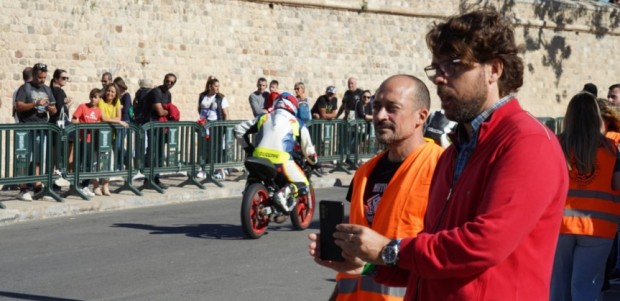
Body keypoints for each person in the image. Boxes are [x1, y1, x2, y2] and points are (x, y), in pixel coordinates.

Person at [309, 10, 569, 301]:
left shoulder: (527, 142)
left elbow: (484, 244)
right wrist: (368, 264)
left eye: (454, 65)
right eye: (436, 68)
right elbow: (431, 258)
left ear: (494, 69)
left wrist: (388, 249)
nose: (440, 78)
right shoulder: (456, 151)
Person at [328, 75, 443, 301]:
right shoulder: (364, 172)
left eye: (392, 108)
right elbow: (354, 264)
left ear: (421, 116)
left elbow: (445, 255)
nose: (380, 116)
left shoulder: (441, 168)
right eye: (377, 106)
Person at [550, 92, 620, 301]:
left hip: (559, 224)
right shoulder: (610, 149)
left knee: (558, 286)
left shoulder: (555, 145)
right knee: (585, 287)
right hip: (598, 227)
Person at [234, 92, 318, 212]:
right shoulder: (296, 122)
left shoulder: (264, 117)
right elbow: (309, 151)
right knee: (303, 183)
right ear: (293, 106)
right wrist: (315, 162)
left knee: (254, 176)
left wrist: (248, 148)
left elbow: (238, 129)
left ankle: (250, 191)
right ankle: (283, 194)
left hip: (258, 157)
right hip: (281, 160)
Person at [14, 62, 58, 201]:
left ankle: (37, 186)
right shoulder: (25, 88)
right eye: (40, 78)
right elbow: (19, 106)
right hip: (26, 127)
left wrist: (51, 109)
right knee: (24, 158)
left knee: (38, 158)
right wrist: (35, 104)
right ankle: (23, 188)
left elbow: (54, 108)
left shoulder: (47, 89)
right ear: (33, 75)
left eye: (44, 77)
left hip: (41, 127)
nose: (42, 80)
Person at [141, 73, 178, 189]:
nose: (169, 83)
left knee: (159, 153)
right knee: (152, 152)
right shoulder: (156, 92)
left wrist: (168, 110)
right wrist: (171, 111)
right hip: (152, 125)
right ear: (164, 79)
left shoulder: (168, 94)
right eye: (168, 81)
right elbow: (160, 111)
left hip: (161, 127)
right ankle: (148, 179)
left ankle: (155, 179)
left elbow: (165, 109)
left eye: (172, 82)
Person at [71, 88, 104, 197]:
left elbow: (100, 122)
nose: (93, 99)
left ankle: (85, 186)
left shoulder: (99, 111)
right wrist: (82, 126)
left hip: (91, 140)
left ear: (99, 99)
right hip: (81, 139)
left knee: (89, 163)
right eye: (92, 96)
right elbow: (74, 119)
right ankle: (76, 185)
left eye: (96, 97)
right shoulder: (82, 107)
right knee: (79, 162)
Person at [98, 83, 129, 195]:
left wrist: (116, 120)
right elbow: (103, 117)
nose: (110, 93)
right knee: (100, 160)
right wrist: (117, 121)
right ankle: (97, 186)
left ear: (116, 94)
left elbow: (118, 116)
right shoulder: (101, 101)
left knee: (109, 161)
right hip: (101, 135)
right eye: (108, 91)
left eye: (113, 92)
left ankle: (105, 186)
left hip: (112, 134)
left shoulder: (117, 102)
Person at [113, 77, 132, 171]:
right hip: (117, 121)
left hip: (125, 121)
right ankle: (119, 165)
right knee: (116, 144)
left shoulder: (126, 95)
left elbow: (126, 109)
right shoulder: (116, 96)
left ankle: (128, 160)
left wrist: (118, 107)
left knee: (119, 144)